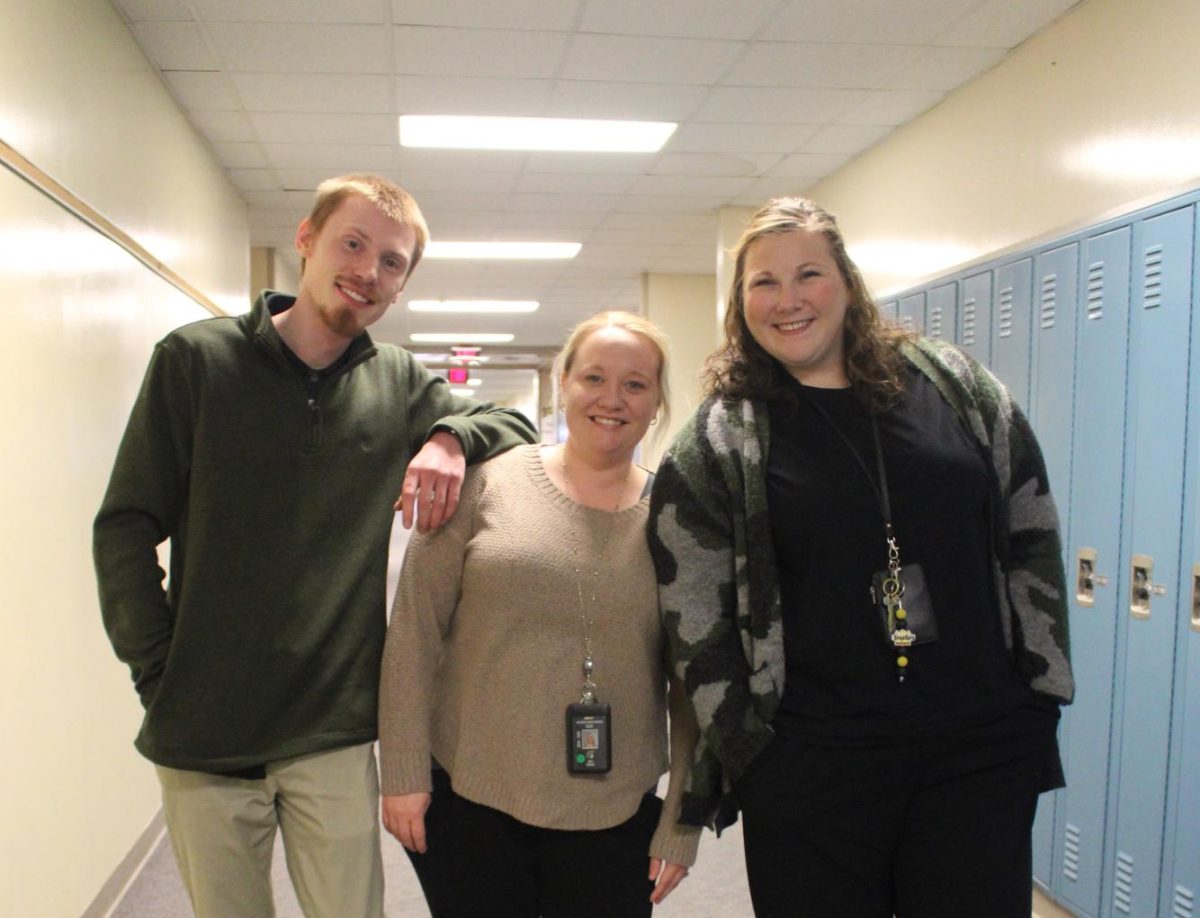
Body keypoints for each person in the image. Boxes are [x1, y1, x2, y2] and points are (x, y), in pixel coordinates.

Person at [93, 173, 537, 918]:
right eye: (353, 244)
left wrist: (447, 437)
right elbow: (126, 526)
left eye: (392, 262)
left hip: (329, 728)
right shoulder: (197, 361)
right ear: (306, 240)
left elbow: (514, 426)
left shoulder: (394, 382)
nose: (369, 271)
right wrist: (156, 669)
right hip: (202, 726)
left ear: (402, 285)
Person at [647, 197, 1074, 918]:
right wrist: (754, 751)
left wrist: (1040, 693)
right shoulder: (723, 434)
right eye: (763, 282)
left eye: (808, 274)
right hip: (816, 761)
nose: (788, 301)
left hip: (979, 747)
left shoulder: (954, 385)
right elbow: (689, 603)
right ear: (740, 300)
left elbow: (1030, 525)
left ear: (846, 282)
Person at [378, 311, 700, 917]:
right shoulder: (481, 485)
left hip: (615, 811)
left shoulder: (678, 520)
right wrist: (401, 771)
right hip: (473, 799)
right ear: (564, 385)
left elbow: (691, 686)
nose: (612, 398)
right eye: (594, 378)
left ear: (657, 402)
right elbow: (413, 634)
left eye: (636, 384)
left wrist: (681, 817)